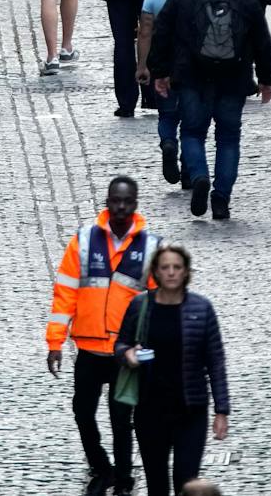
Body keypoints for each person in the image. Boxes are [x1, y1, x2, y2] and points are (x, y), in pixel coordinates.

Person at [46, 177, 160, 496]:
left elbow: (160, 305)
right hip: (89, 350)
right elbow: (65, 293)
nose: (120, 207)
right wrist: (55, 342)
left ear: (135, 204)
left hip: (125, 356)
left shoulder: (151, 248)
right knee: (83, 413)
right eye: (115, 201)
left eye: (127, 201)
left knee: (121, 419)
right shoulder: (83, 241)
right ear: (107, 202)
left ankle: (123, 479)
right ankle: (101, 467)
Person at [147, 0, 271, 219]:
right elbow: (262, 41)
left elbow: (162, 33)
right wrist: (265, 78)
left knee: (192, 132)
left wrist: (160, 72)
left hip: (192, 76)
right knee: (228, 138)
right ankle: (221, 198)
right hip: (233, 77)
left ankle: (200, 175)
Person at [114, 245, 231, 496]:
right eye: (165, 267)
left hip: (191, 410)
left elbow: (215, 360)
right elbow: (121, 343)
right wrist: (128, 355)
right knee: (156, 483)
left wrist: (221, 410)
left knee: (186, 482)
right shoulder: (140, 305)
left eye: (176, 267)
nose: (171, 272)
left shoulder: (201, 308)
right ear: (156, 272)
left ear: (186, 272)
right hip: (150, 409)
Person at [137, 0, 198, 184]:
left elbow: (145, 32)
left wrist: (142, 65)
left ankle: (169, 142)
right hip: (194, 64)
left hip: (163, 63)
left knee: (167, 114)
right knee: (192, 120)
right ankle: (189, 169)